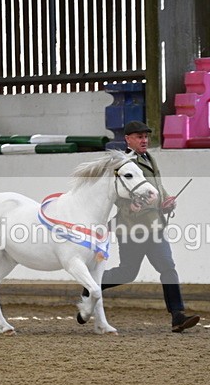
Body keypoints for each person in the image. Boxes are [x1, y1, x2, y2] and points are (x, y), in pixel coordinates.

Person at [84, 120, 200, 333]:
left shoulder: (149, 158)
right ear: (128, 139)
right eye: (139, 137)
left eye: (146, 136)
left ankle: (177, 316)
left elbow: (157, 187)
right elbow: (118, 196)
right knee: (127, 273)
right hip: (132, 230)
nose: (144, 140)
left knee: (167, 267)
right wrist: (132, 207)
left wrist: (166, 202)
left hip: (155, 227)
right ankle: (91, 285)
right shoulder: (124, 164)